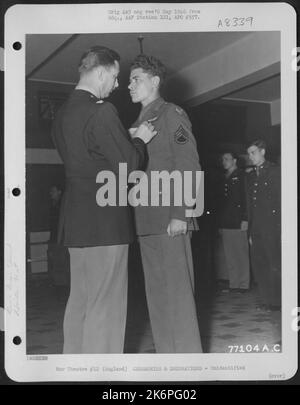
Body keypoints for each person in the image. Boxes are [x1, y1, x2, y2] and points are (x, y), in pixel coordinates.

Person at [52, 46, 157, 354]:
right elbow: (129, 166)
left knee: (80, 301)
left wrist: (120, 137)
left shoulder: (62, 114)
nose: (115, 85)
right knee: (106, 306)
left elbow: (90, 155)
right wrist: (140, 139)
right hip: (105, 221)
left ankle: (73, 369)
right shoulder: (102, 110)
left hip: (75, 221)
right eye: (113, 76)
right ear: (100, 73)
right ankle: (102, 374)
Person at [128, 54, 202, 353]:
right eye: (130, 80)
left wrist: (181, 214)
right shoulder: (137, 123)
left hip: (171, 218)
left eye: (137, 79)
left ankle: (188, 366)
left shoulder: (172, 114)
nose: (130, 85)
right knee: (157, 299)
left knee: (178, 300)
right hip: (146, 221)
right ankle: (167, 360)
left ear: (155, 81)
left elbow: (189, 163)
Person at [246, 140, 281, 311]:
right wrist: (251, 230)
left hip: (272, 227)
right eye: (249, 153)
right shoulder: (251, 175)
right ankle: (266, 300)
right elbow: (250, 205)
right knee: (259, 264)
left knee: (274, 262)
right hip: (257, 228)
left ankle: (277, 301)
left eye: (253, 152)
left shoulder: (275, 171)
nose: (250, 157)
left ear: (263, 151)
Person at [215, 152, 250, 293]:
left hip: (238, 221)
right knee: (230, 255)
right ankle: (234, 284)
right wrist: (219, 224)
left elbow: (245, 199)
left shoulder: (242, 176)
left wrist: (245, 219)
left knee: (241, 253)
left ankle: (244, 285)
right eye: (222, 159)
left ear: (235, 160)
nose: (224, 161)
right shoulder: (223, 178)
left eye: (227, 159)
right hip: (226, 221)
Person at [47, 184, 70, 289]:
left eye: (53, 191)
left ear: (59, 192)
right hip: (55, 238)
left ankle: (61, 285)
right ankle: (58, 284)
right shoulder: (54, 205)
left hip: (60, 239)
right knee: (55, 262)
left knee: (60, 263)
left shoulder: (62, 206)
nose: (51, 193)